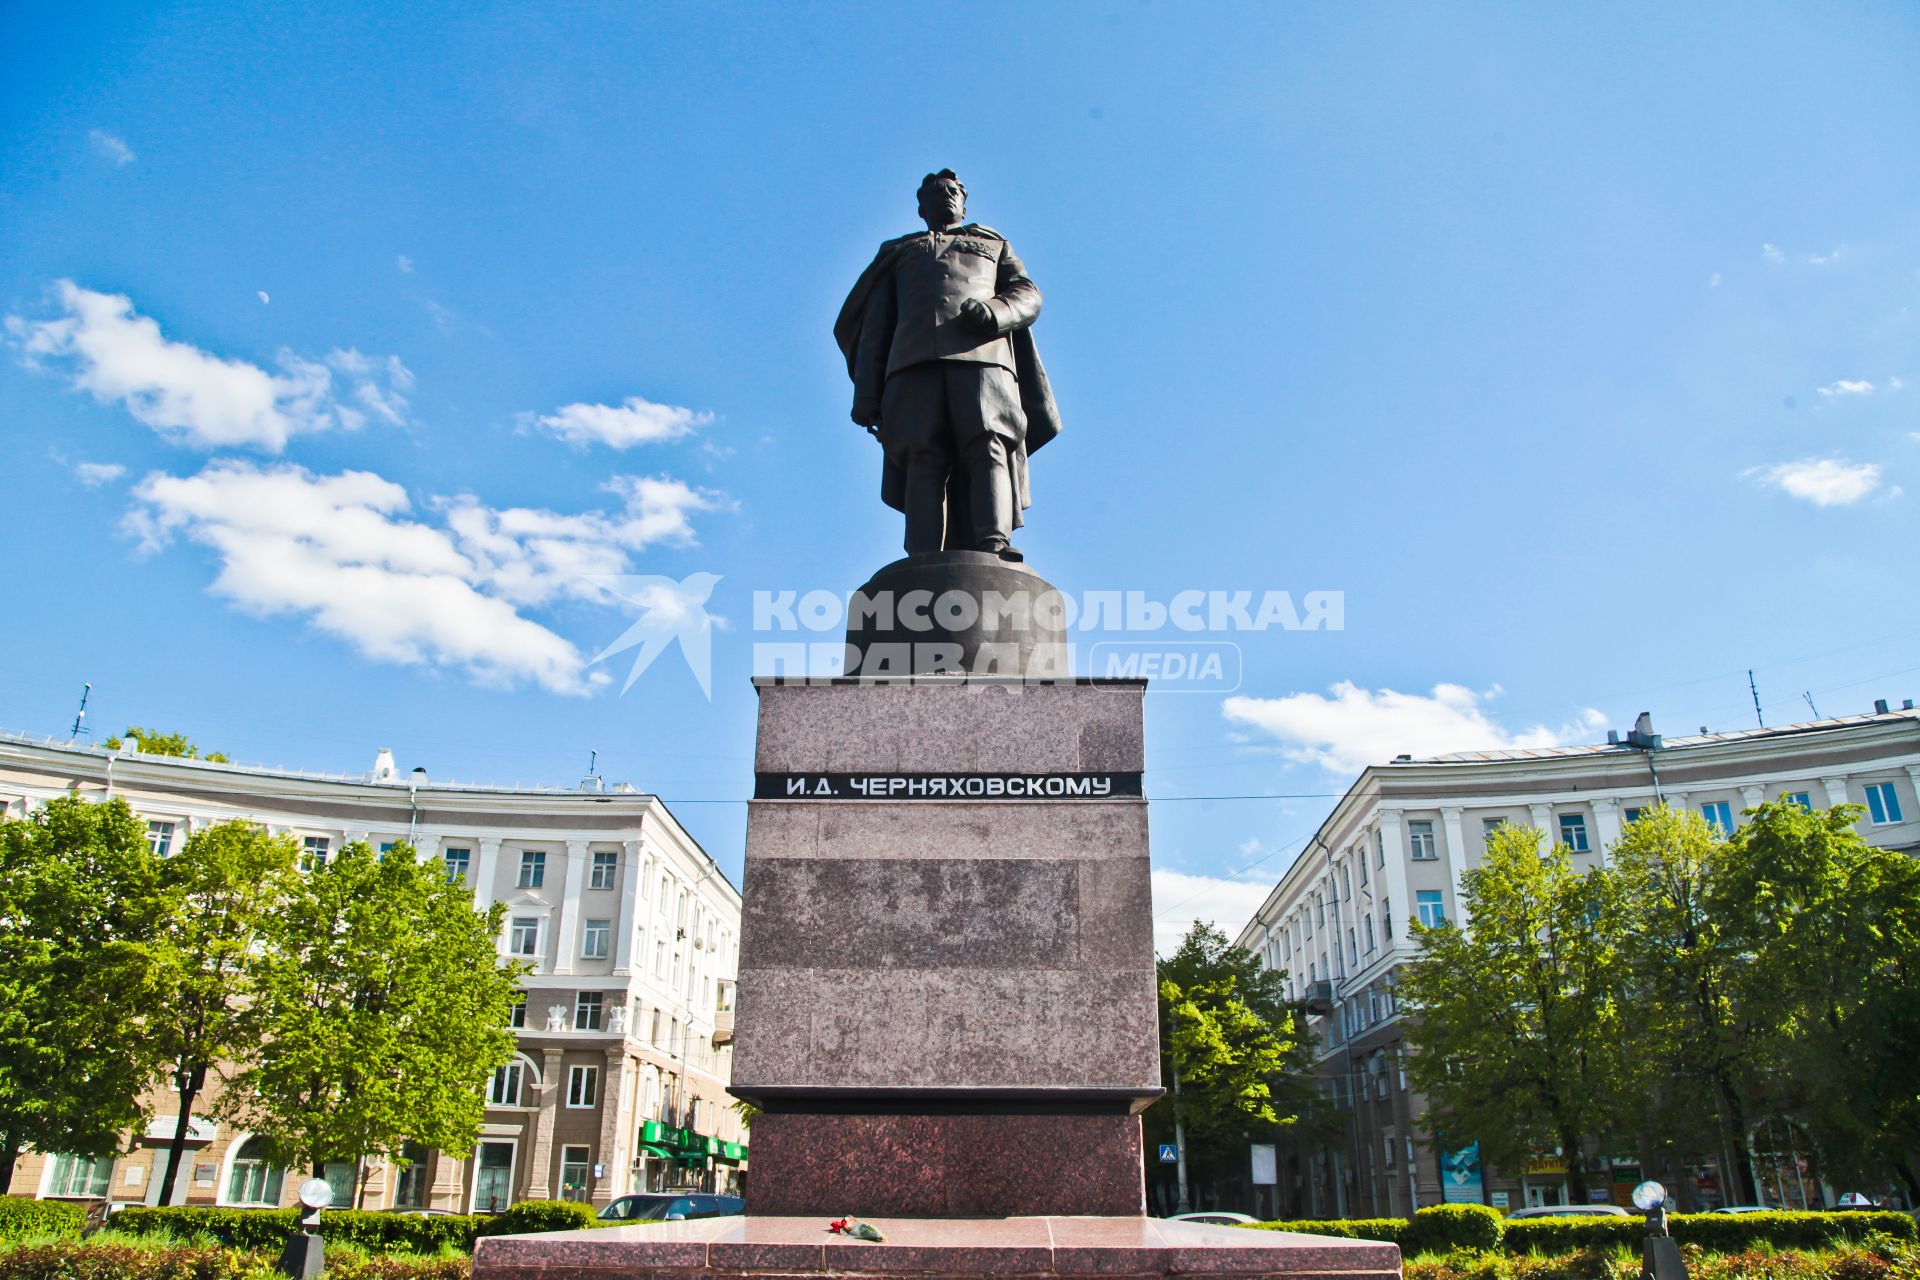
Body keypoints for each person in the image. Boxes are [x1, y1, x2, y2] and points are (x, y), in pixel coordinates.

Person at [834, 170, 1062, 556]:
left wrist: (995, 312)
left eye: (953, 191)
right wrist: (867, 393)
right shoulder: (898, 253)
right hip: (912, 365)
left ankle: (994, 541)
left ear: (964, 200)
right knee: (922, 455)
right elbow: (876, 326)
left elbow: (1028, 294)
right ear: (921, 206)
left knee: (988, 444)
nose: (947, 196)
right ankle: (922, 554)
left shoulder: (992, 243)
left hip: (983, 362)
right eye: (937, 192)